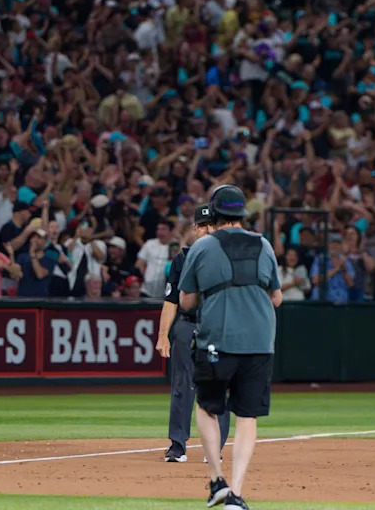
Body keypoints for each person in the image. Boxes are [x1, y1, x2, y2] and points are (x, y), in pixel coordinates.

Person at [179, 185, 283, 510]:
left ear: (216, 213)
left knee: (207, 406)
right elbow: (277, 297)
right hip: (260, 340)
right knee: (247, 415)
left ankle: (216, 480)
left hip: (218, 339)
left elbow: (186, 300)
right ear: (243, 214)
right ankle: (236, 494)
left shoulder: (203, 246)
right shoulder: (264, 245)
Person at [156, 203, 230, 464]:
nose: (208, 230)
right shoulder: (183, 258)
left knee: (218, 385)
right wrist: (163, 334)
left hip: (218, 326)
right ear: (195, 229)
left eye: (213, 225)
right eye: (203, 226)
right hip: (187, 325)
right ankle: (177, 445)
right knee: (181, 385)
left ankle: (215, 448)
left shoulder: (228, 255)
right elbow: (171, 300)